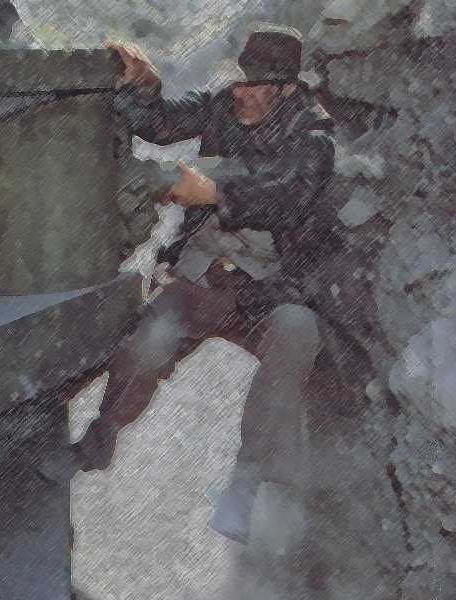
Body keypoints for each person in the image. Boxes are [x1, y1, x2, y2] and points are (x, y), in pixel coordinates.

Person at [74, 24, 343, 545]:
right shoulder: (225, 105)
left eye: (257, 85)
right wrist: (141, 84)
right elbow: (160, 124)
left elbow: (287, 197)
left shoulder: (313, 137)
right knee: (147, 341)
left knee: (298, 331)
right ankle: (99, 438)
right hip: (201, 275)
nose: (243, 92)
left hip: (265, 291)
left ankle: (246, 484)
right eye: (242, 79)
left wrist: (216, 193)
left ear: (286, 88)